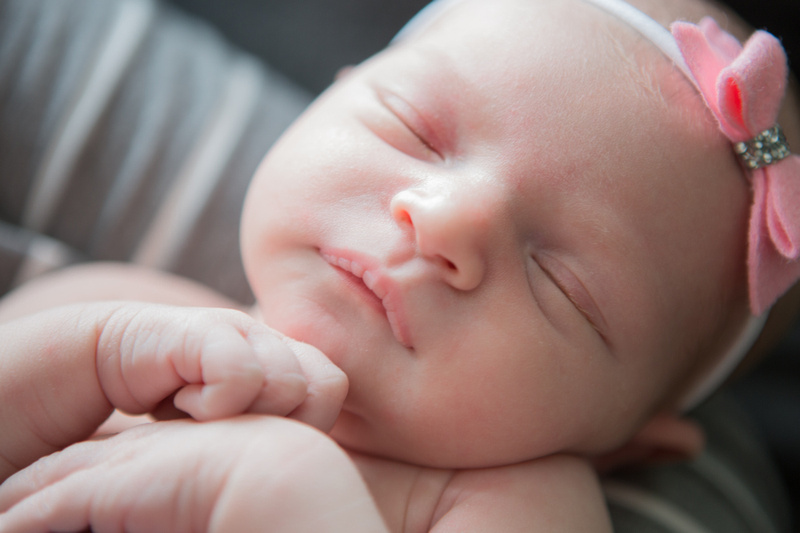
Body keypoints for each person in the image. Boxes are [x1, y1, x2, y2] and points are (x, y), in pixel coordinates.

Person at [0, 0, 799, 530]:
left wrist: (286, 496)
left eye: (562, 285)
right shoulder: (117, 324)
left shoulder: (516, 505)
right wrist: (91, 353)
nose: (447, 220)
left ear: (628, 441)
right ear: (334, 93)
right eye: (412, 128)